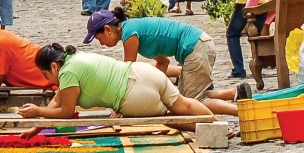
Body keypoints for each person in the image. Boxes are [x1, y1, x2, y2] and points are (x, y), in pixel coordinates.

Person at [86, 9, 245, 116]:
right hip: (199, 45)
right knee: (186, 97)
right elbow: (163, 63)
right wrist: (158, 89)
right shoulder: (134, 30)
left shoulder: (129, 33)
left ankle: (240, 113)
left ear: (108, 29)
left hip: (195, 47)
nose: (102, 44)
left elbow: (127, 72)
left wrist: (120, 104)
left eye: (100, 39)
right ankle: (235, 93)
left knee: (193, 102)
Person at [19, 44, 213, 121]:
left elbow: (66, 112)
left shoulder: (67, 73)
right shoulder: (74, 59)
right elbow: (57, 101)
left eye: (45, 74)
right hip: (144, 72)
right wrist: (37, 125)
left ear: (54, 66)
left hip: (133, 97)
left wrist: (37, 112)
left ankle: (210, 126)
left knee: (173, 119)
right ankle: (216, 123)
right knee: (183, 103)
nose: (47, 80)